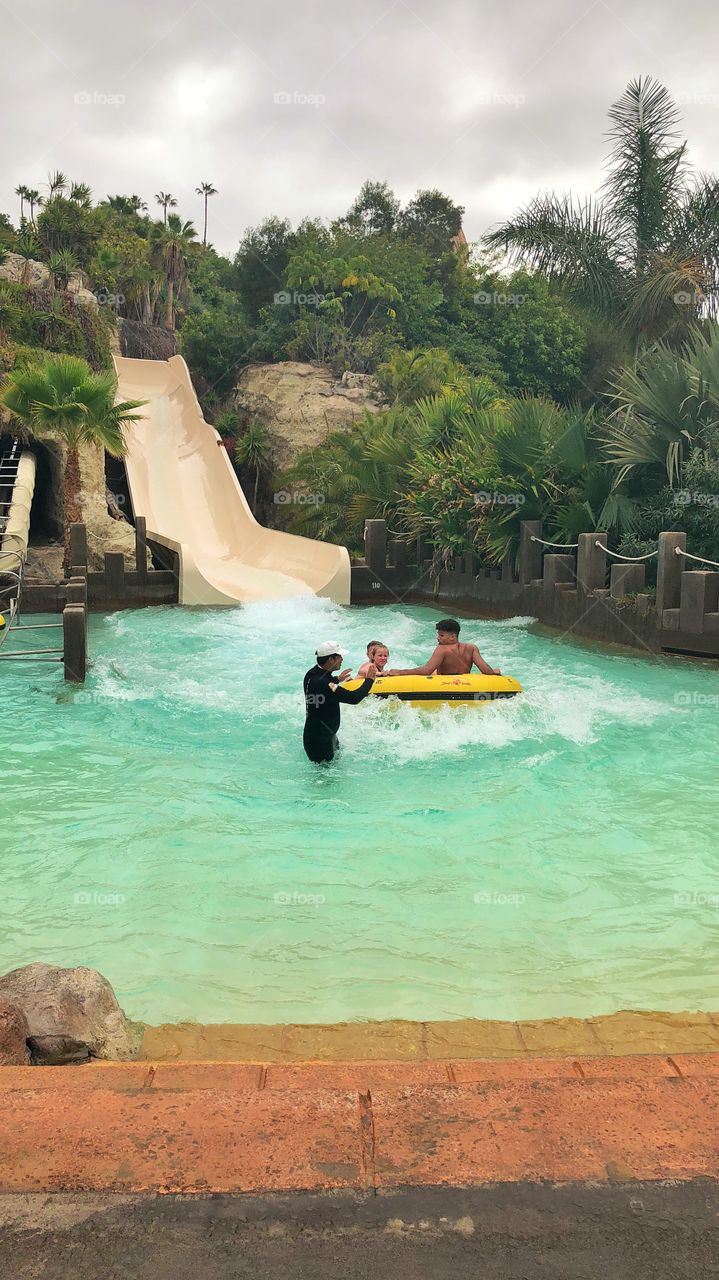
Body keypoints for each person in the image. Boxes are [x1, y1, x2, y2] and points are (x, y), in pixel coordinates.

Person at [303, 640, 377, 763]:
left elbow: (323, 686)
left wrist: (337, 679)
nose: (342, 659)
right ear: (331, 659)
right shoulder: (325, 683)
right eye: (339, 656)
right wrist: (369, 680)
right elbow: (354, 698)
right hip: (320, 743)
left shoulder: (311, 674)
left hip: (320, 734)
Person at [387, 618, 500, 676]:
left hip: (445, 685)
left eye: (441, 635)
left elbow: (427, 670)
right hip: (465, 683)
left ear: (452, 637)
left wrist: (400, 672)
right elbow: (485, 670)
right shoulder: (472, 648)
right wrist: (493, 672)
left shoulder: (442, 649)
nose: (437, 638)